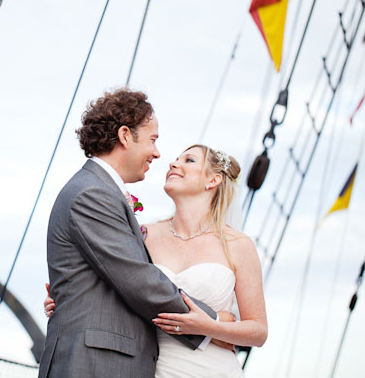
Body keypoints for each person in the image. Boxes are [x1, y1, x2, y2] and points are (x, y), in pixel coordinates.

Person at [38, 89, 221, 378]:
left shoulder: (97, 190)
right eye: (152, 140)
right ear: (125, 136)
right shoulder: (92, 194)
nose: (158, 153)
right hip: (94, 365)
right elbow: (138, 280)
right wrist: (213, 325)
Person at [44, 144, 268, 377]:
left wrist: (210, 326)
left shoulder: (238, 245)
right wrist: (69, 297)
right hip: (151, 368)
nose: (173, 164)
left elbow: (258, 331)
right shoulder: (143, 236)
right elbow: (123, 283)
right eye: (176, 159)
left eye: (188, 160)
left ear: (212, 181)